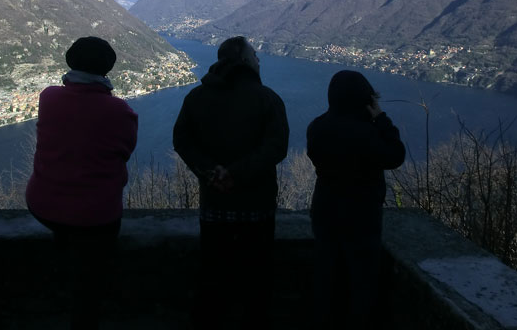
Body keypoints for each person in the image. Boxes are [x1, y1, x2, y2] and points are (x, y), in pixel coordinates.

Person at [173, 36, 289, 329]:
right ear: (244, 61)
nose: (259, 59)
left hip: (215, 202)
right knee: (257, 275)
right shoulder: (267, 99)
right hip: (256, 204)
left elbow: (182, 140)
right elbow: (276, 147)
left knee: (213, 271)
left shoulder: (196, 97)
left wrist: (211, 172)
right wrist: (238, 173)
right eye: (254, 55)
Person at [25, 36, 138, 330]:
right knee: (90, 284)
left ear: (70, 61)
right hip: (95, 216)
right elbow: (124, 152)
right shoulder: (121, 111)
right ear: (107, 69)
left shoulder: (48, 97)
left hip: (42, 204)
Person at [306, 69, 406, 329]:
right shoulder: (367, 133)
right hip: (361, 217)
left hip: (325, 211)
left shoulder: (317, 127)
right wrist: (381, 119)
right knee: (361, 285)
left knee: (326, 279)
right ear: (365, 99)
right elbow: (395, 155)